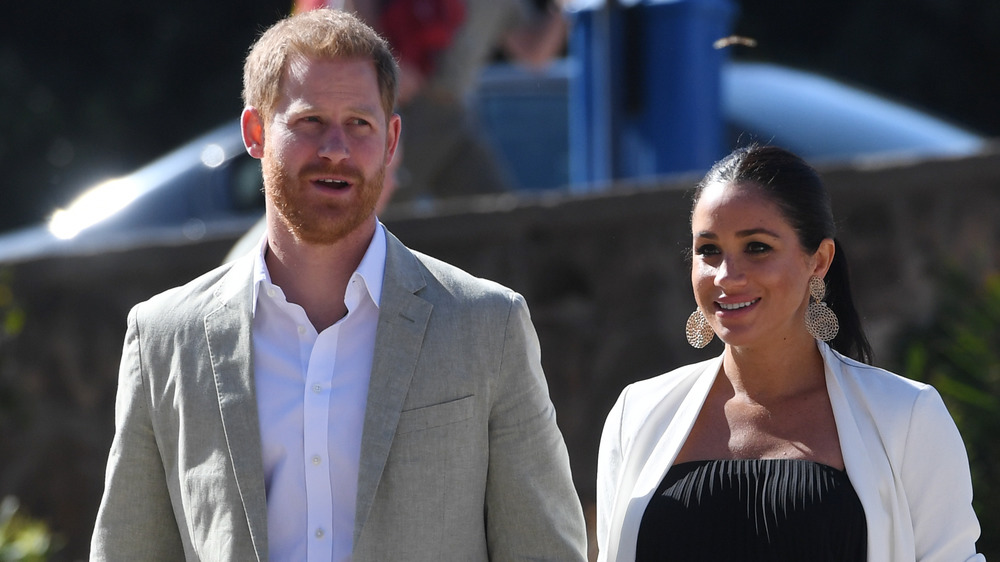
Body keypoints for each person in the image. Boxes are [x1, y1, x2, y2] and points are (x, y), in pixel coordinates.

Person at [90, 9, 587, 561]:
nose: (336, 148)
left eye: (359, 123)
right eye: (309, 122)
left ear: (392, 138)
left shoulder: (486, 326)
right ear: (255, 132)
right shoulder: (165, 341)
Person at [596, 145, 984, 561]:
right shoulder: (636, 414)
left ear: (818, 260)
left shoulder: (907, 416)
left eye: (757, 247)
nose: (727, 276)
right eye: (708, 250)